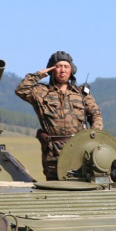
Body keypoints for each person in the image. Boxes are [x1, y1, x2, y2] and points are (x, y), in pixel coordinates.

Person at [15, 51, 103, 180]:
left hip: (78, 149)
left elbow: (96, 116)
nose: (63, 70)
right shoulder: (41, 92)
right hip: (52, 152)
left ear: (72, 70)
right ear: (52, 69)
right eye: (58, 66)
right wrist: (39, 74)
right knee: (54, 187)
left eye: (66, 67)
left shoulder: (82, 94)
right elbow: (21, 90)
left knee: (81, 186)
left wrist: (92, 137)